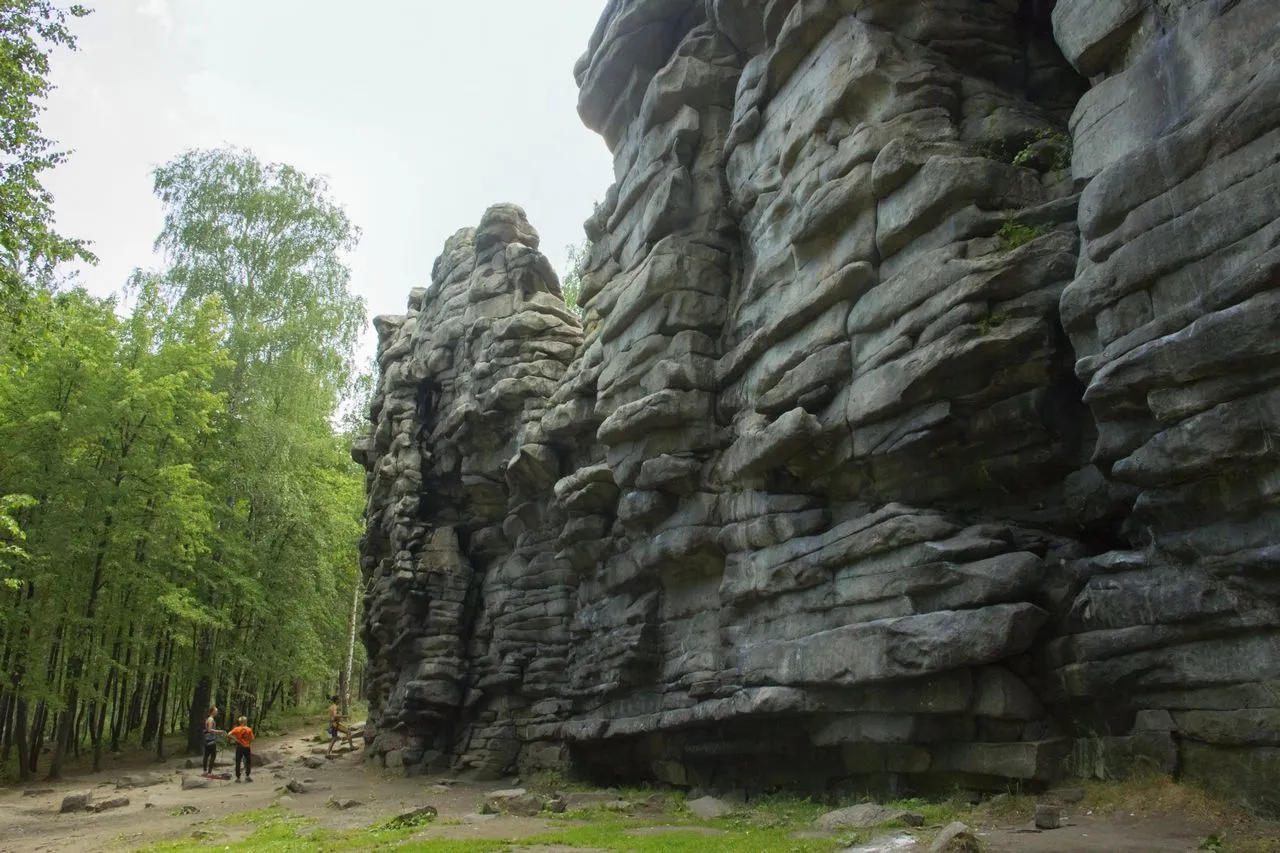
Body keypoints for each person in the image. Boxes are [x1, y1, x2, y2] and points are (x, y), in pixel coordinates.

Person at [228, 715, 255, 783]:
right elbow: (253, 739)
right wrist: (248, 742)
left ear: (240, 722)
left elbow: (229, 734)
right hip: (246, 747)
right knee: (248, 761)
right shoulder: (249, 729)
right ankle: (247, 776)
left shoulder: (236, 729)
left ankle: (238, 778)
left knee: (238, 762)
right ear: (245, 721)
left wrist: (235, 739)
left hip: (239, 746)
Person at [202, 706, 224, 774]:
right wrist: (219, 731)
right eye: (216, 711)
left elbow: (206, 730)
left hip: (207, 739)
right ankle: (209, 772)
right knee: (213, 755)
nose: (217, 712)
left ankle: (205, 770)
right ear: (212, 711)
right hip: (211, 740)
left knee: (206, 755)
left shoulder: (208, 719)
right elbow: (209, 729)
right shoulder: (211, 719)